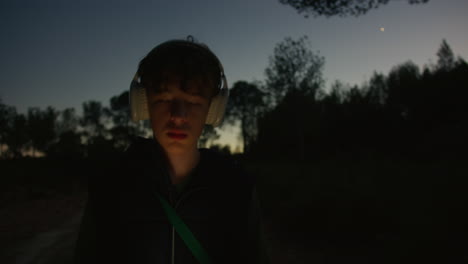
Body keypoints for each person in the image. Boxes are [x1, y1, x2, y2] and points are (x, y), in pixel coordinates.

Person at [74, 36, 269, 264]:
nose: (178, 115)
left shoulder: (237, 188)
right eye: (164, 99)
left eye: (194, 102)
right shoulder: (110, 185)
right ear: (143, 103)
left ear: (213, 110)